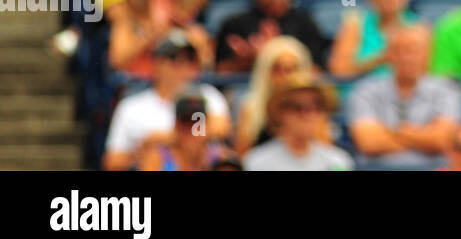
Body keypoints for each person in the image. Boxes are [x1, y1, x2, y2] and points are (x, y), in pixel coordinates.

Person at [103, 30, 232, 170]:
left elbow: (221, 128)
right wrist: (141, 151)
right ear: (157, 63)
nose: (184, 67)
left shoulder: (207, 95)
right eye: (175, 59)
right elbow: (112, 162)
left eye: (190, 59)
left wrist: (162, 138)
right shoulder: (131, 106)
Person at [348, 24, 461, 168]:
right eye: (401, 51)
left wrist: (394, 131)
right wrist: (423, 139)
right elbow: (369, 142)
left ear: (427, 54)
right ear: (389, 55)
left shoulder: (446, 90)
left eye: (416, 51)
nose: (408, 58)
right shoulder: (365, 90)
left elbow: (442, 140)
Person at [243, 73, 353, 171]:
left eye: (316, 106)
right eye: (297, 107)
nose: (307, 115)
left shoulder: (338, 162)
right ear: (280, 113)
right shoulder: (256, 162)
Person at [234, 35, 322, 156]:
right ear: (266, 71)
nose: (284, 76)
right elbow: (242, 155)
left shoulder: (314, 109)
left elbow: (324, 150)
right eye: (278, 69)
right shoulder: (250, 108)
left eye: (291, 69)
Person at [137, 93, 235, 171]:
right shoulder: (158, 158)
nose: (192, 132)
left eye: (197, 125)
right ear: (176, 125)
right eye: (186, 125)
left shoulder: (220, 159)